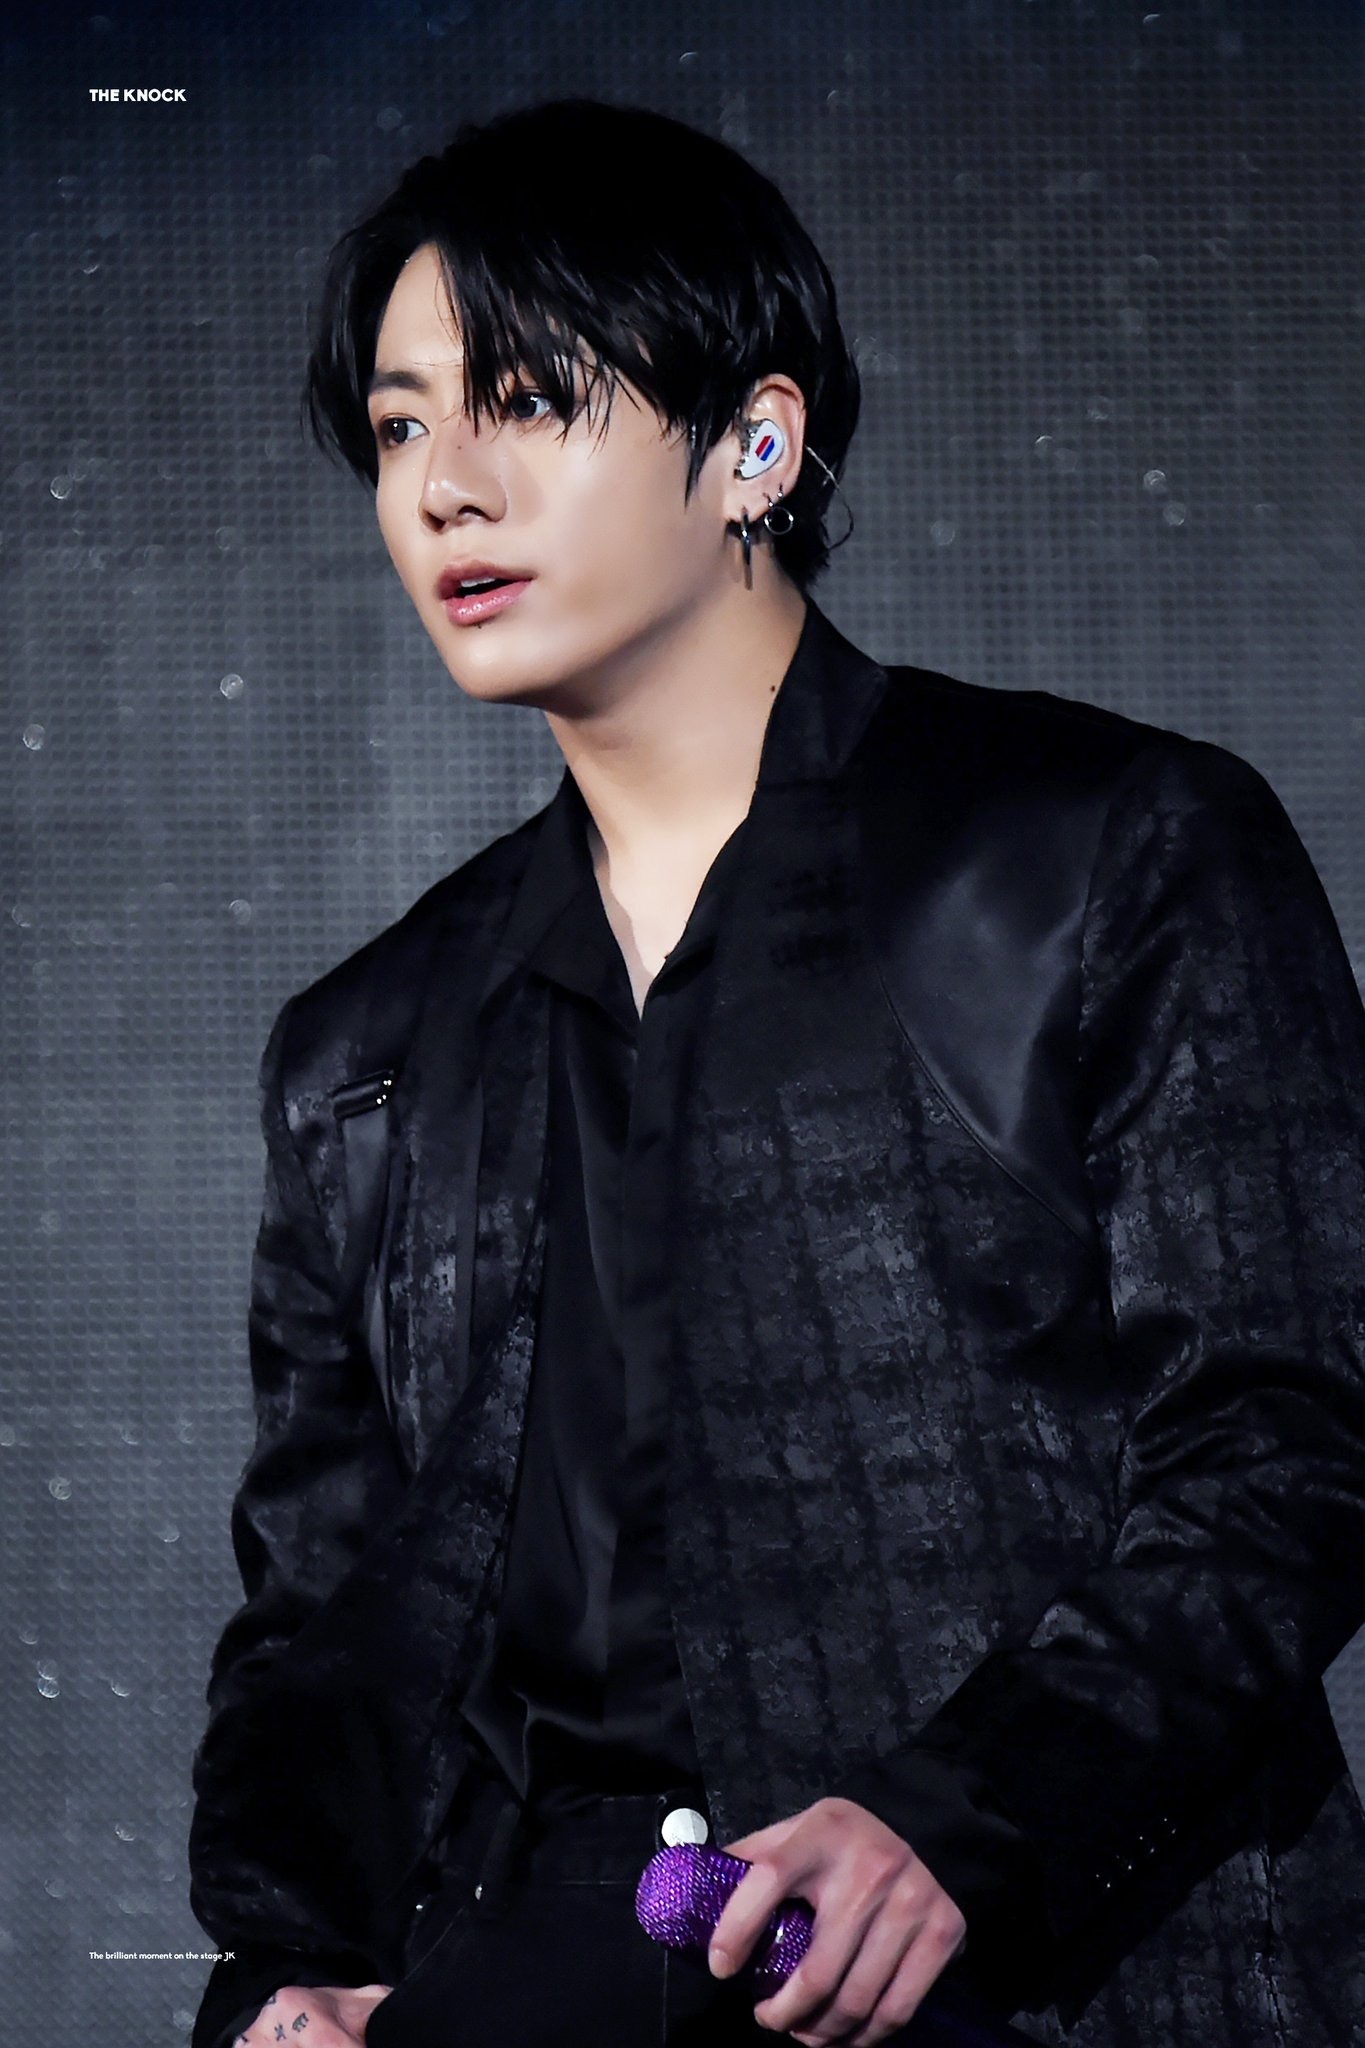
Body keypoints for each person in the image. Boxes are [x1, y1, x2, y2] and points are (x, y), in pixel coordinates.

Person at [186, 96, 1365, 2048]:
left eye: (524, 401)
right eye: (399, 428)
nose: (444, 490)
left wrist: (955, 1819)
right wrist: (278, 1974)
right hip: (531, 1984)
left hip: (1035, 1967)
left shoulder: (1110, 847)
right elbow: (323, 1606)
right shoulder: (366, 1046)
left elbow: (1290, 1439)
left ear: (754, 444)